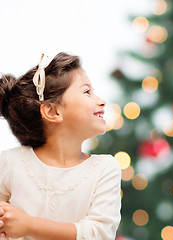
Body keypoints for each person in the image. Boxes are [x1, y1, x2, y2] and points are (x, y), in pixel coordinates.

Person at [0, 52, 121, 239]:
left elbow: (99, 233)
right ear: (52, 111)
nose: (101, 100)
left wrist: (29, 225)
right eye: (87, 92)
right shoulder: (9, 163)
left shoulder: (105, 169)